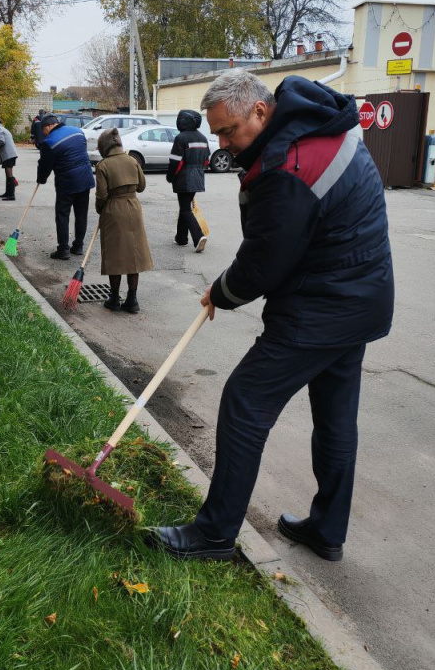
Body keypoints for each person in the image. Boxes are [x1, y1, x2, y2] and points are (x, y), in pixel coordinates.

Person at [146, 71, 394, 563]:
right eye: (217, 132)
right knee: (336, 417)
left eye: (229, 131)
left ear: (261, 112)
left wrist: (223, 291)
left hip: (323, 304)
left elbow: (265, 260)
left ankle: (214, 534)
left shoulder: (287, 166)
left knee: (245, 400)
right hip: (361, 297)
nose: (223, 144)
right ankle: (326, 529)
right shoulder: (319, 121)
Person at [95, 128, 153, 313]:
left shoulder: (103, 165)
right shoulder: (132, 160)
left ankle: (113, 298)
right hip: (133, 208)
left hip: (113, 210)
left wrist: (100, 209)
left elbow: (102, 195)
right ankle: (132, 299)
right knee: (133, 253)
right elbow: (142, 186)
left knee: (115, 254)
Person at [37, 113, 94, 260]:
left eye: (43, 129)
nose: (42, 134)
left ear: (48, 126)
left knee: (62, 214)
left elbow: (45, 165)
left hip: (67, 182)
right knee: (81, 213)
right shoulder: (78, 131)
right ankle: (79, 246)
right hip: (85, 178)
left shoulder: (49, 142)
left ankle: (63, 249)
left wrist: (41, 179)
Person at [167, 109, 209, 252]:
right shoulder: (203, 138)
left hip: (184, 177)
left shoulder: (181, 138)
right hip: (198, 177)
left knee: (185, 209)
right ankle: (181, 238)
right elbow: (206, 161)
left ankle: (199, 237)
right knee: (184, 207)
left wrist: (171, 176)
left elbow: (176, 162)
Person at [0, 117, 18, 200]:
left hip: (8, 155)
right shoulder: (2, 128)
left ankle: (11, 195)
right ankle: (8, 193)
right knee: (7, 174)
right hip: (11, 154)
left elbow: (2, 141)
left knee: (9, 175)